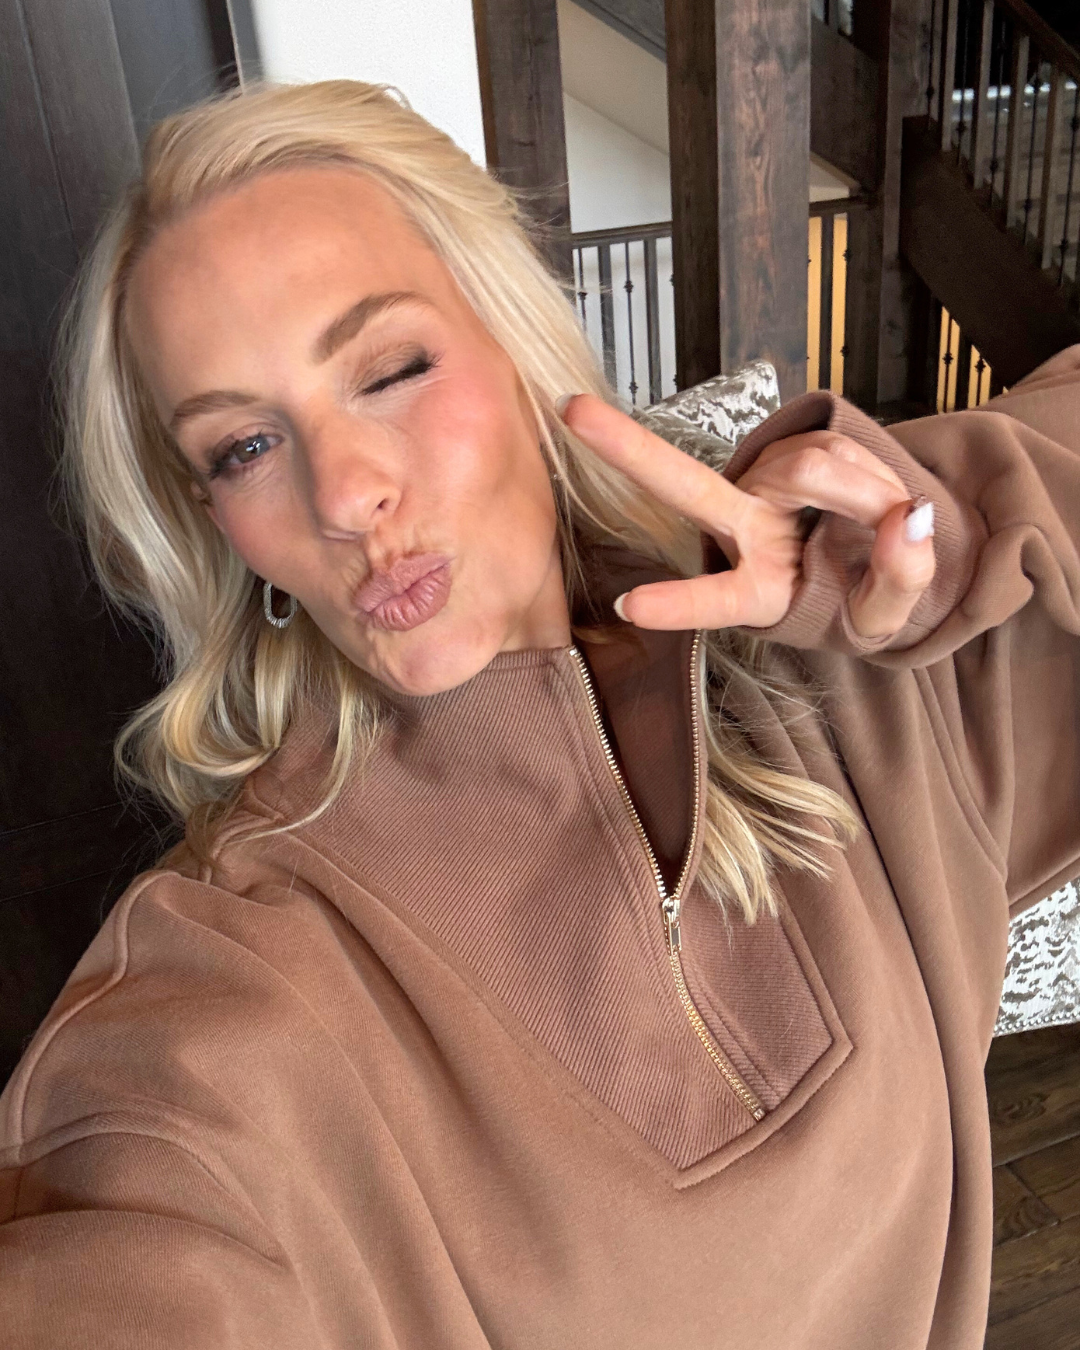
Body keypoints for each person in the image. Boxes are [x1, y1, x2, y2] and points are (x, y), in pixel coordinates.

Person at [1, 78, 1078, 1350]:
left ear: (513, 342)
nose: (344, 495)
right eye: (244, 447)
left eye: (389, 370)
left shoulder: (842, 671)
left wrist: (947, 538)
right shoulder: (246, 972)